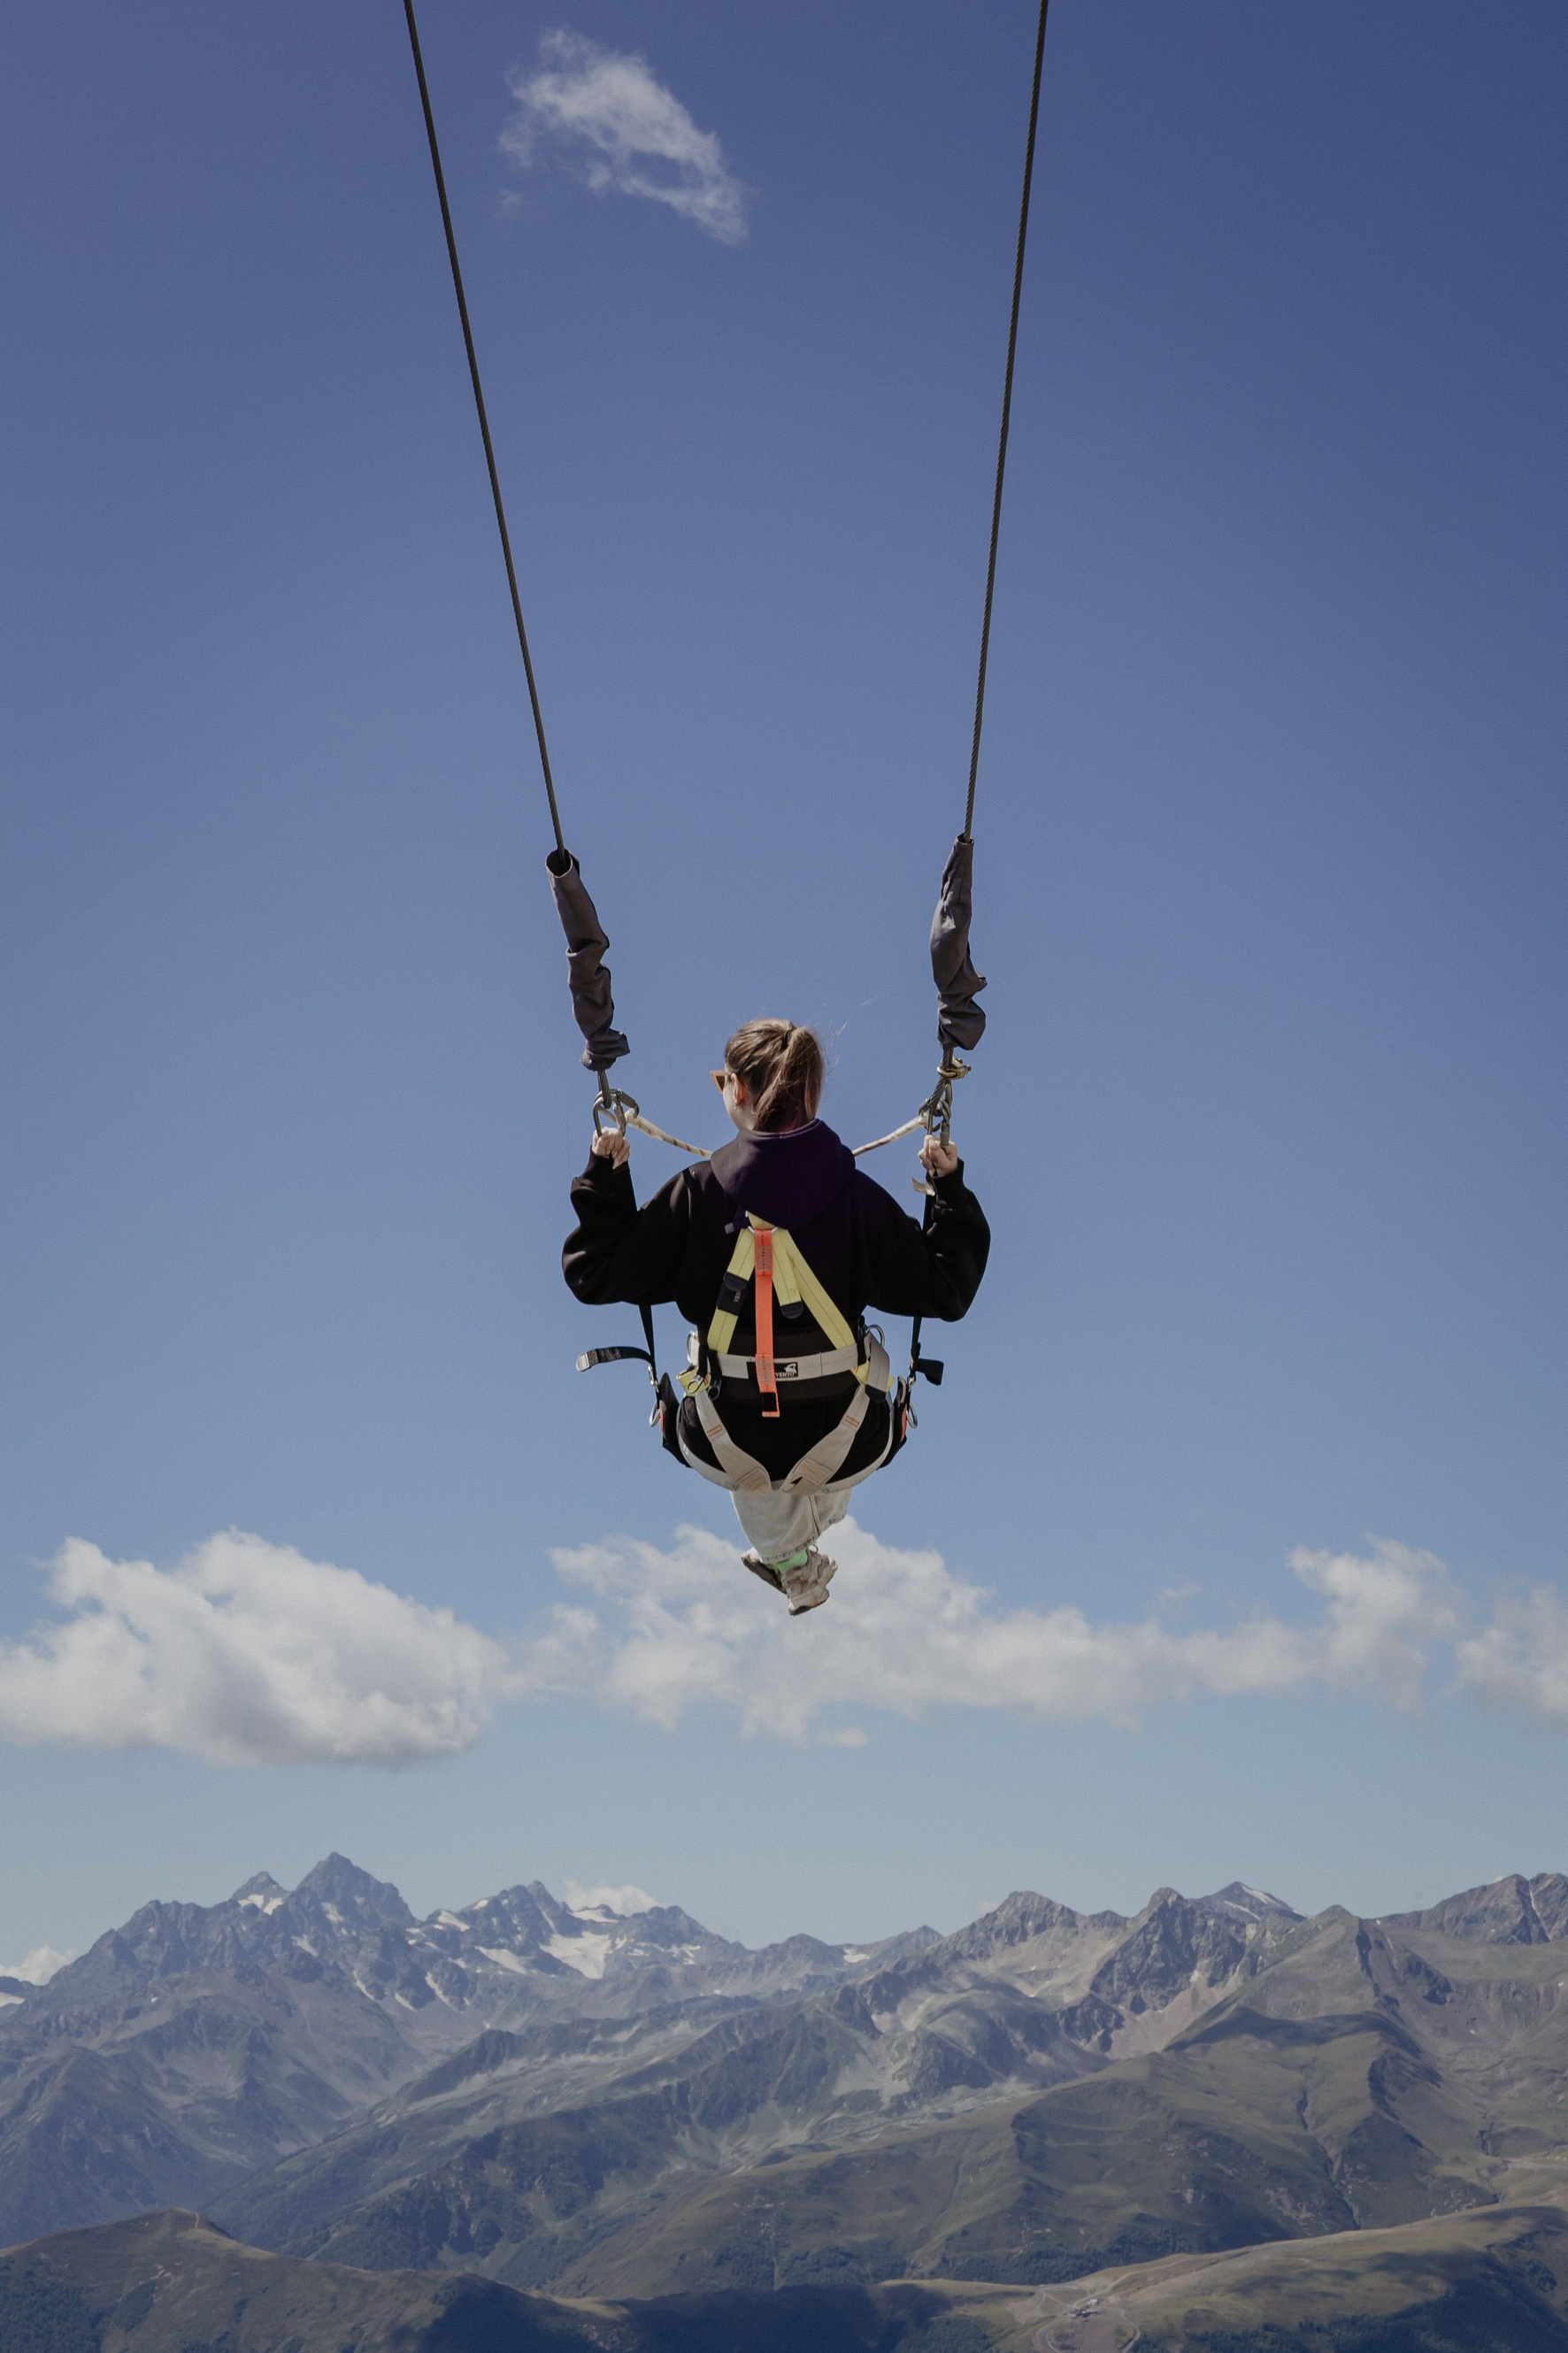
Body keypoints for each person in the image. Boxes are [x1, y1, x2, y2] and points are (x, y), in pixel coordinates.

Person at [563, 1019, 989, 1616]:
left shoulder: (696, 1196)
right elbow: (948, 1288)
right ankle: (790, 1550)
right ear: (813, 1094)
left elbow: (594, 1272)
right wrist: (949, 1192)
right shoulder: (857, 1200)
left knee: (752, 1458)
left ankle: (787, 1552)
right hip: (849, 1438)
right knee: (806, 1457)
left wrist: (605, 1183)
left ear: (737, 1089)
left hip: (726, 1439)